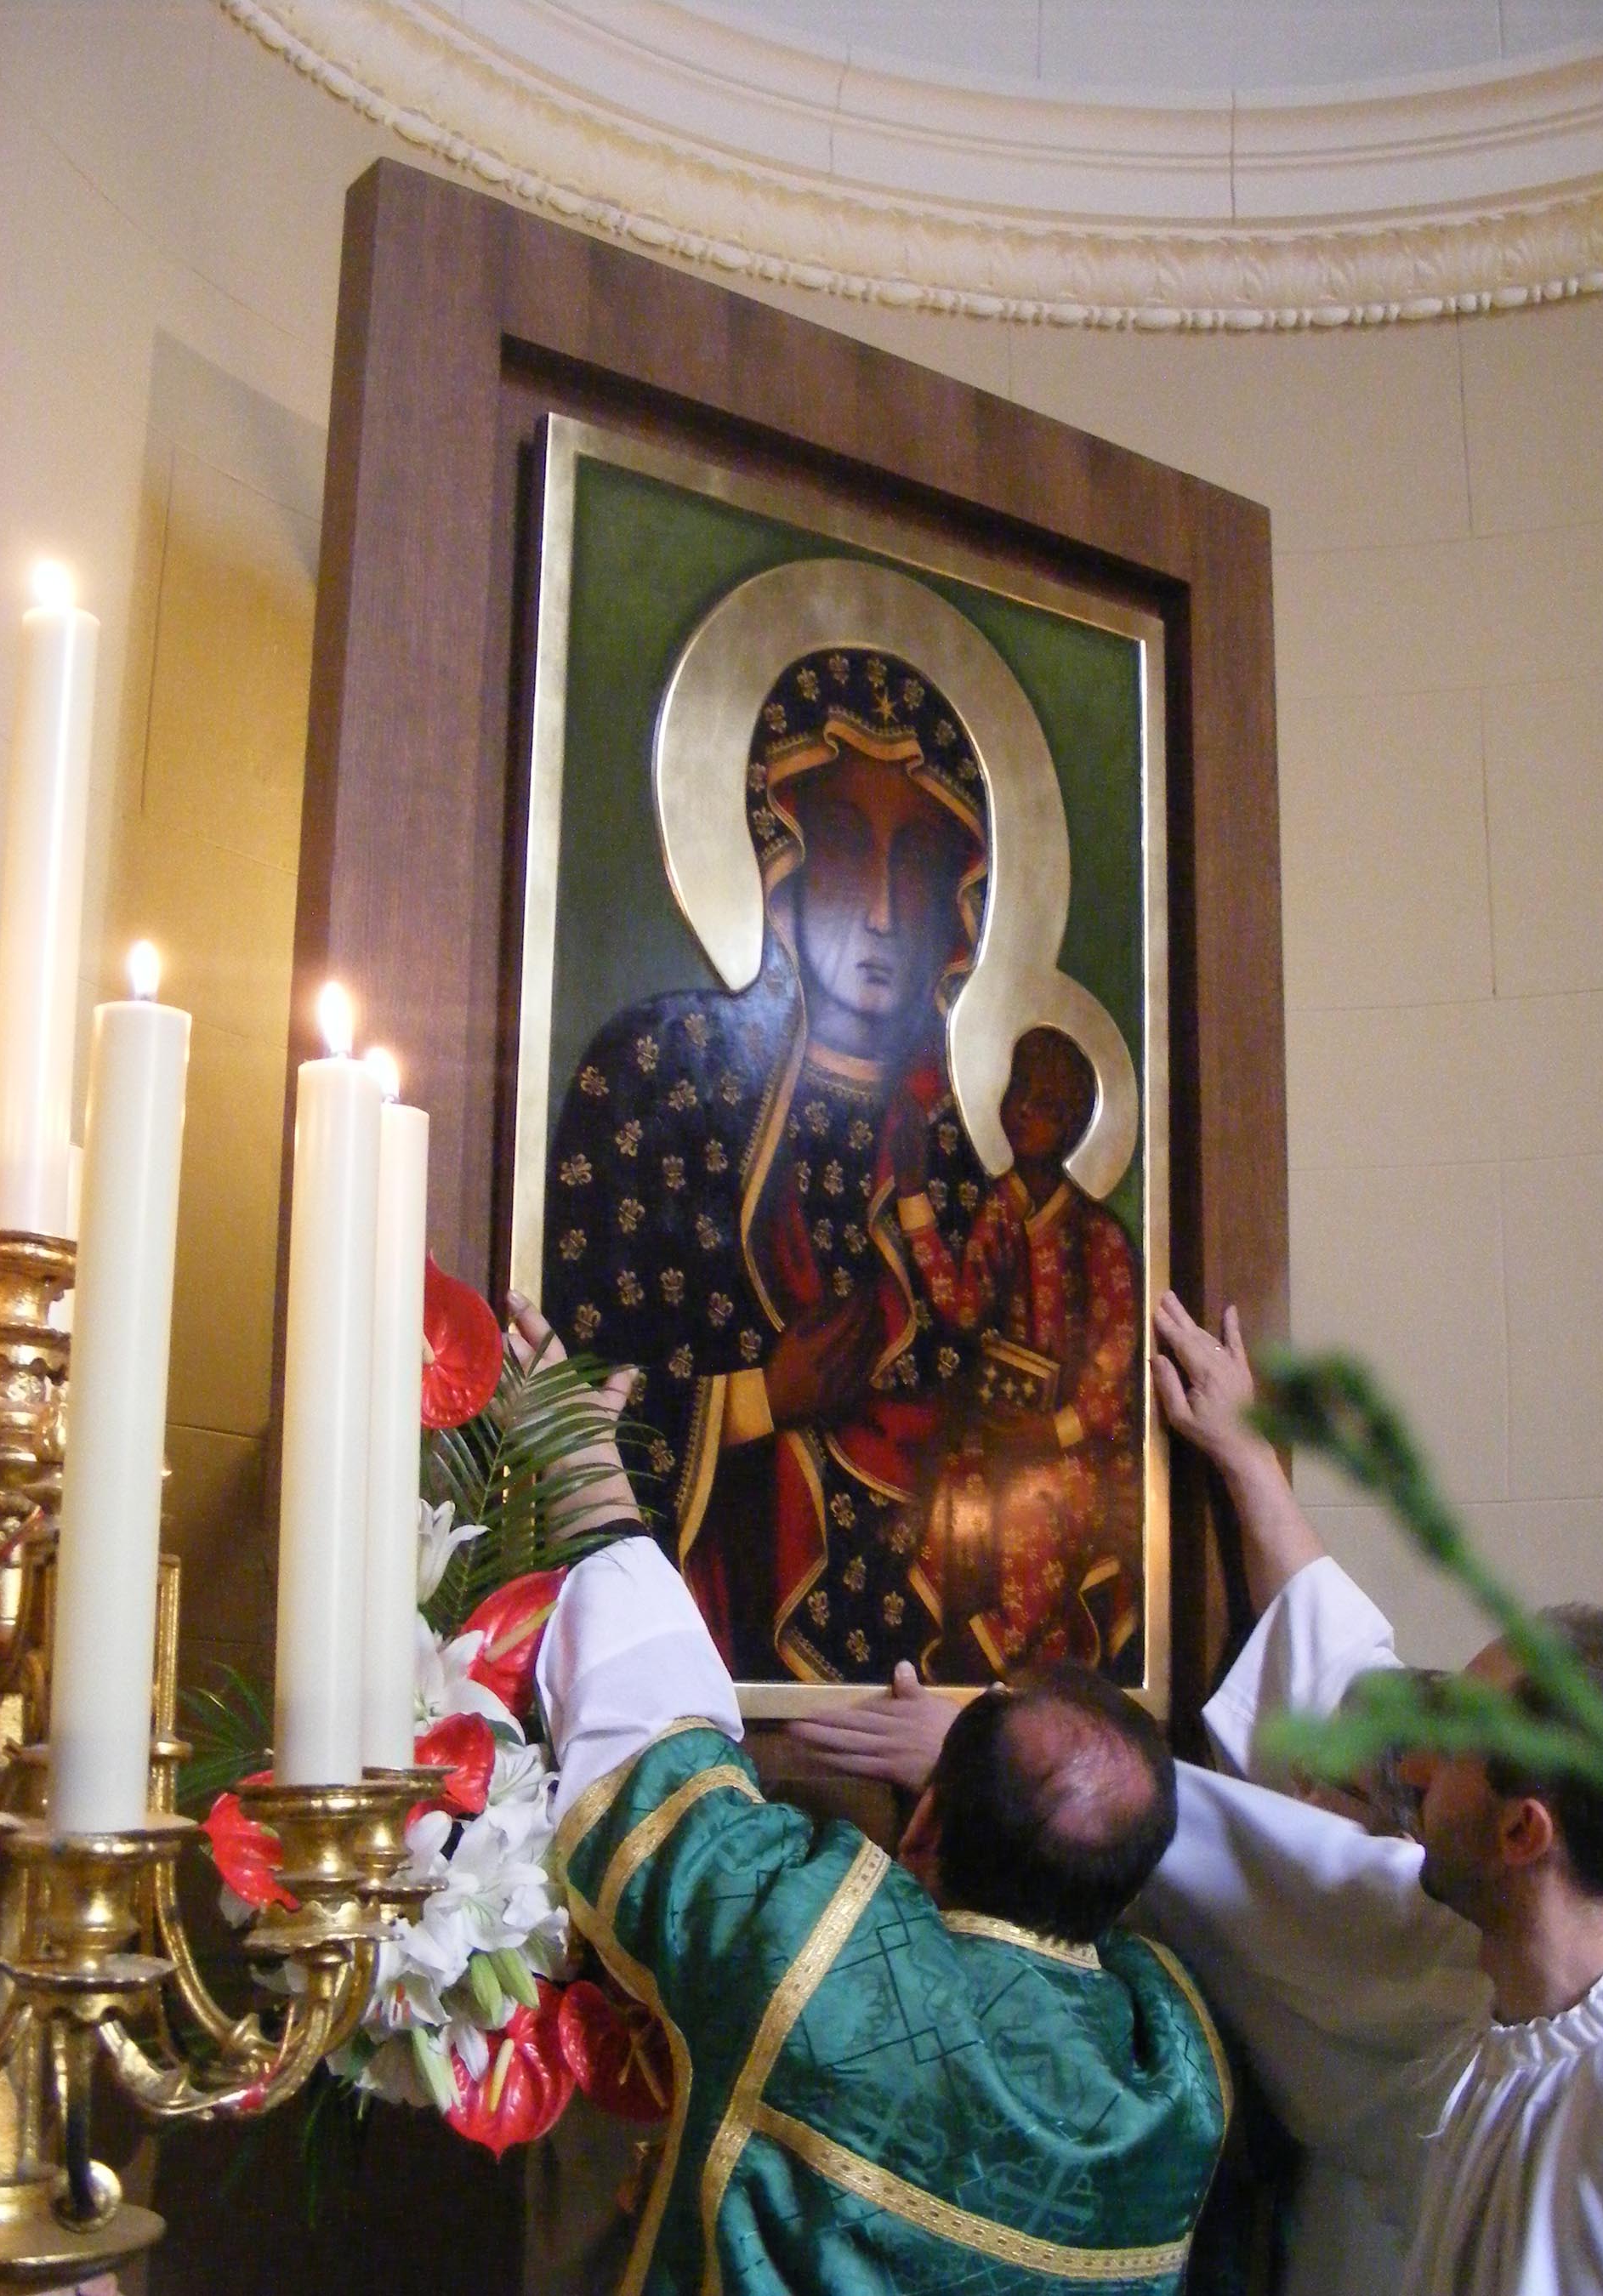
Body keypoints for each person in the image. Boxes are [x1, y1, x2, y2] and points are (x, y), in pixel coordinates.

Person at [793, 1293, 1603, 2296]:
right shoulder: (1519, 1953)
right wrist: (1247, 1460)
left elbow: (1267, 1865)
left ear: (1523, 1833)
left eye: (1452, 1748)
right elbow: (1344, 1703)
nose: (1412, 1767)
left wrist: (1017, 1769)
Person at [516, 1304, 1231, 2294]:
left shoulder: (828, 1980)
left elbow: (657, 1776)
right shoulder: (1177, 2088)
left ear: (924, 1824)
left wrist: (586, 1466)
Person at [543, 648, 993, 1685]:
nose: (882, 911)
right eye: (844, 844)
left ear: (961, 901)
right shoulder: (659, 1079)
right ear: (778, 856)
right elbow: (564, 1400)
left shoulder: (961, 1161)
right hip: (695, 1657)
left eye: (918, 862)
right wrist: (756, 1397)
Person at [892, 1024, 1143, 1681]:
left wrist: (1052, 1432)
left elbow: (1113, 1363)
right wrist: (913, 1197)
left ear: (1074, 1126)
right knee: (953, 1492)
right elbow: (962, 1307)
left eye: (1048, 1105)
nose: (1026, 1112)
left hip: (1075, 1444)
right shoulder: (1000, 1211)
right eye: (1019, 1093)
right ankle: (962, 1664)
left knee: (1040, 1504)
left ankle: (1000, 1661)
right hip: (1005, 1425)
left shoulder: (1098, 1237)